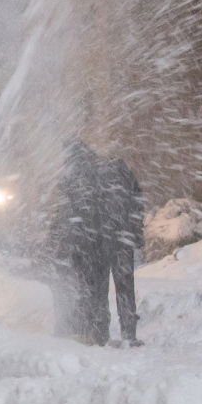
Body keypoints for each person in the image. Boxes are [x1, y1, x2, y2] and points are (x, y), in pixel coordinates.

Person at [48, 139, 107, 345]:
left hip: (80, 241)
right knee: (90, 287)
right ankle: (91, 330)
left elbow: (66, 211)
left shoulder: (74, 174)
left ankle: (75, 330)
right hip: (93, 241)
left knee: (73, 285)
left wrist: (57, 236)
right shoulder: (96, 171)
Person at [97, 155, 144, 347]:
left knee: (100, 288)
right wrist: (136, 235)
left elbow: (92, 210)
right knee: (125, 288)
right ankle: (129, 334)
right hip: (123, 241)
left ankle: (101, 333)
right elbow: (138, 208)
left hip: (101, 241)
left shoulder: (97, 178)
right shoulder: (127, 177)